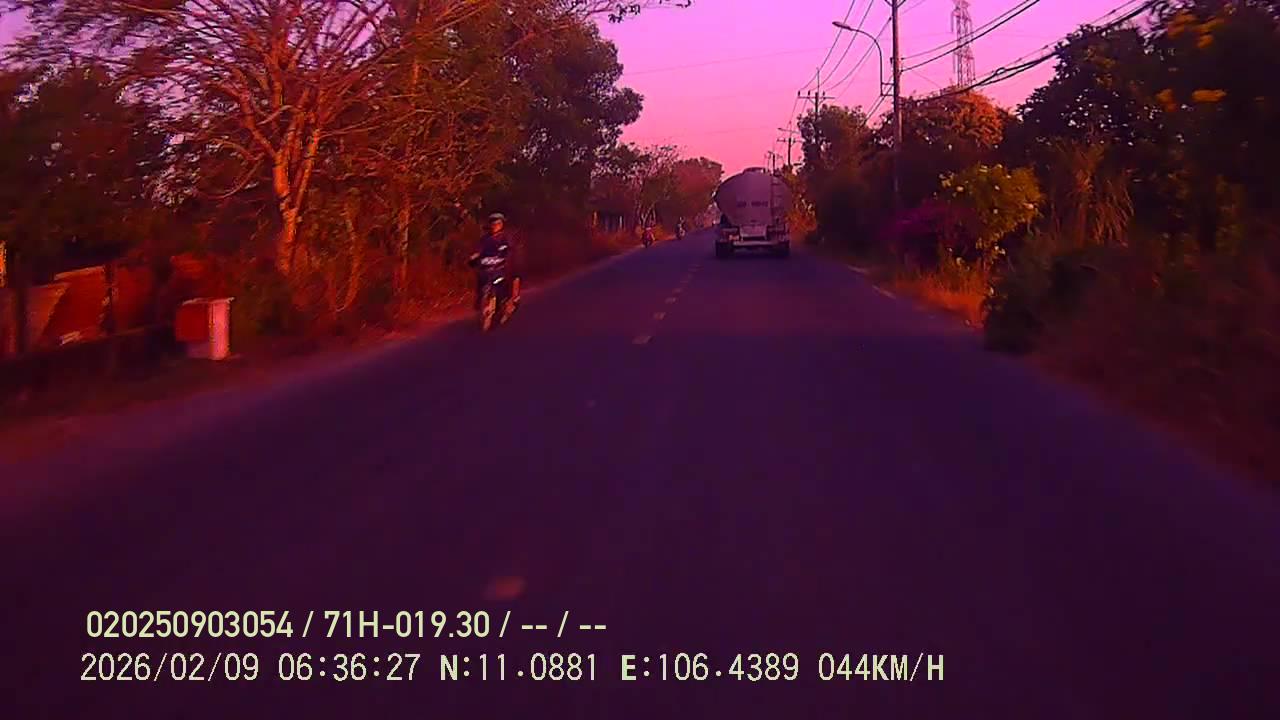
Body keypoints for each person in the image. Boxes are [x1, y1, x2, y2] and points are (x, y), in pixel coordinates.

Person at [471, 212, 521, 310]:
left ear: (501, 225)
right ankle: (479, 299)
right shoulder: (485, 238)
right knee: (481, 277)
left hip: (503, 264)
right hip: (489, 264)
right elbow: (478, 249)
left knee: (513, 274)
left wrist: (507, 254)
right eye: (493, 224)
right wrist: (474, 256)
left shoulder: (506, 237)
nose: (495, 226)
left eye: (497, 224)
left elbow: (511, 248)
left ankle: (513, 296)